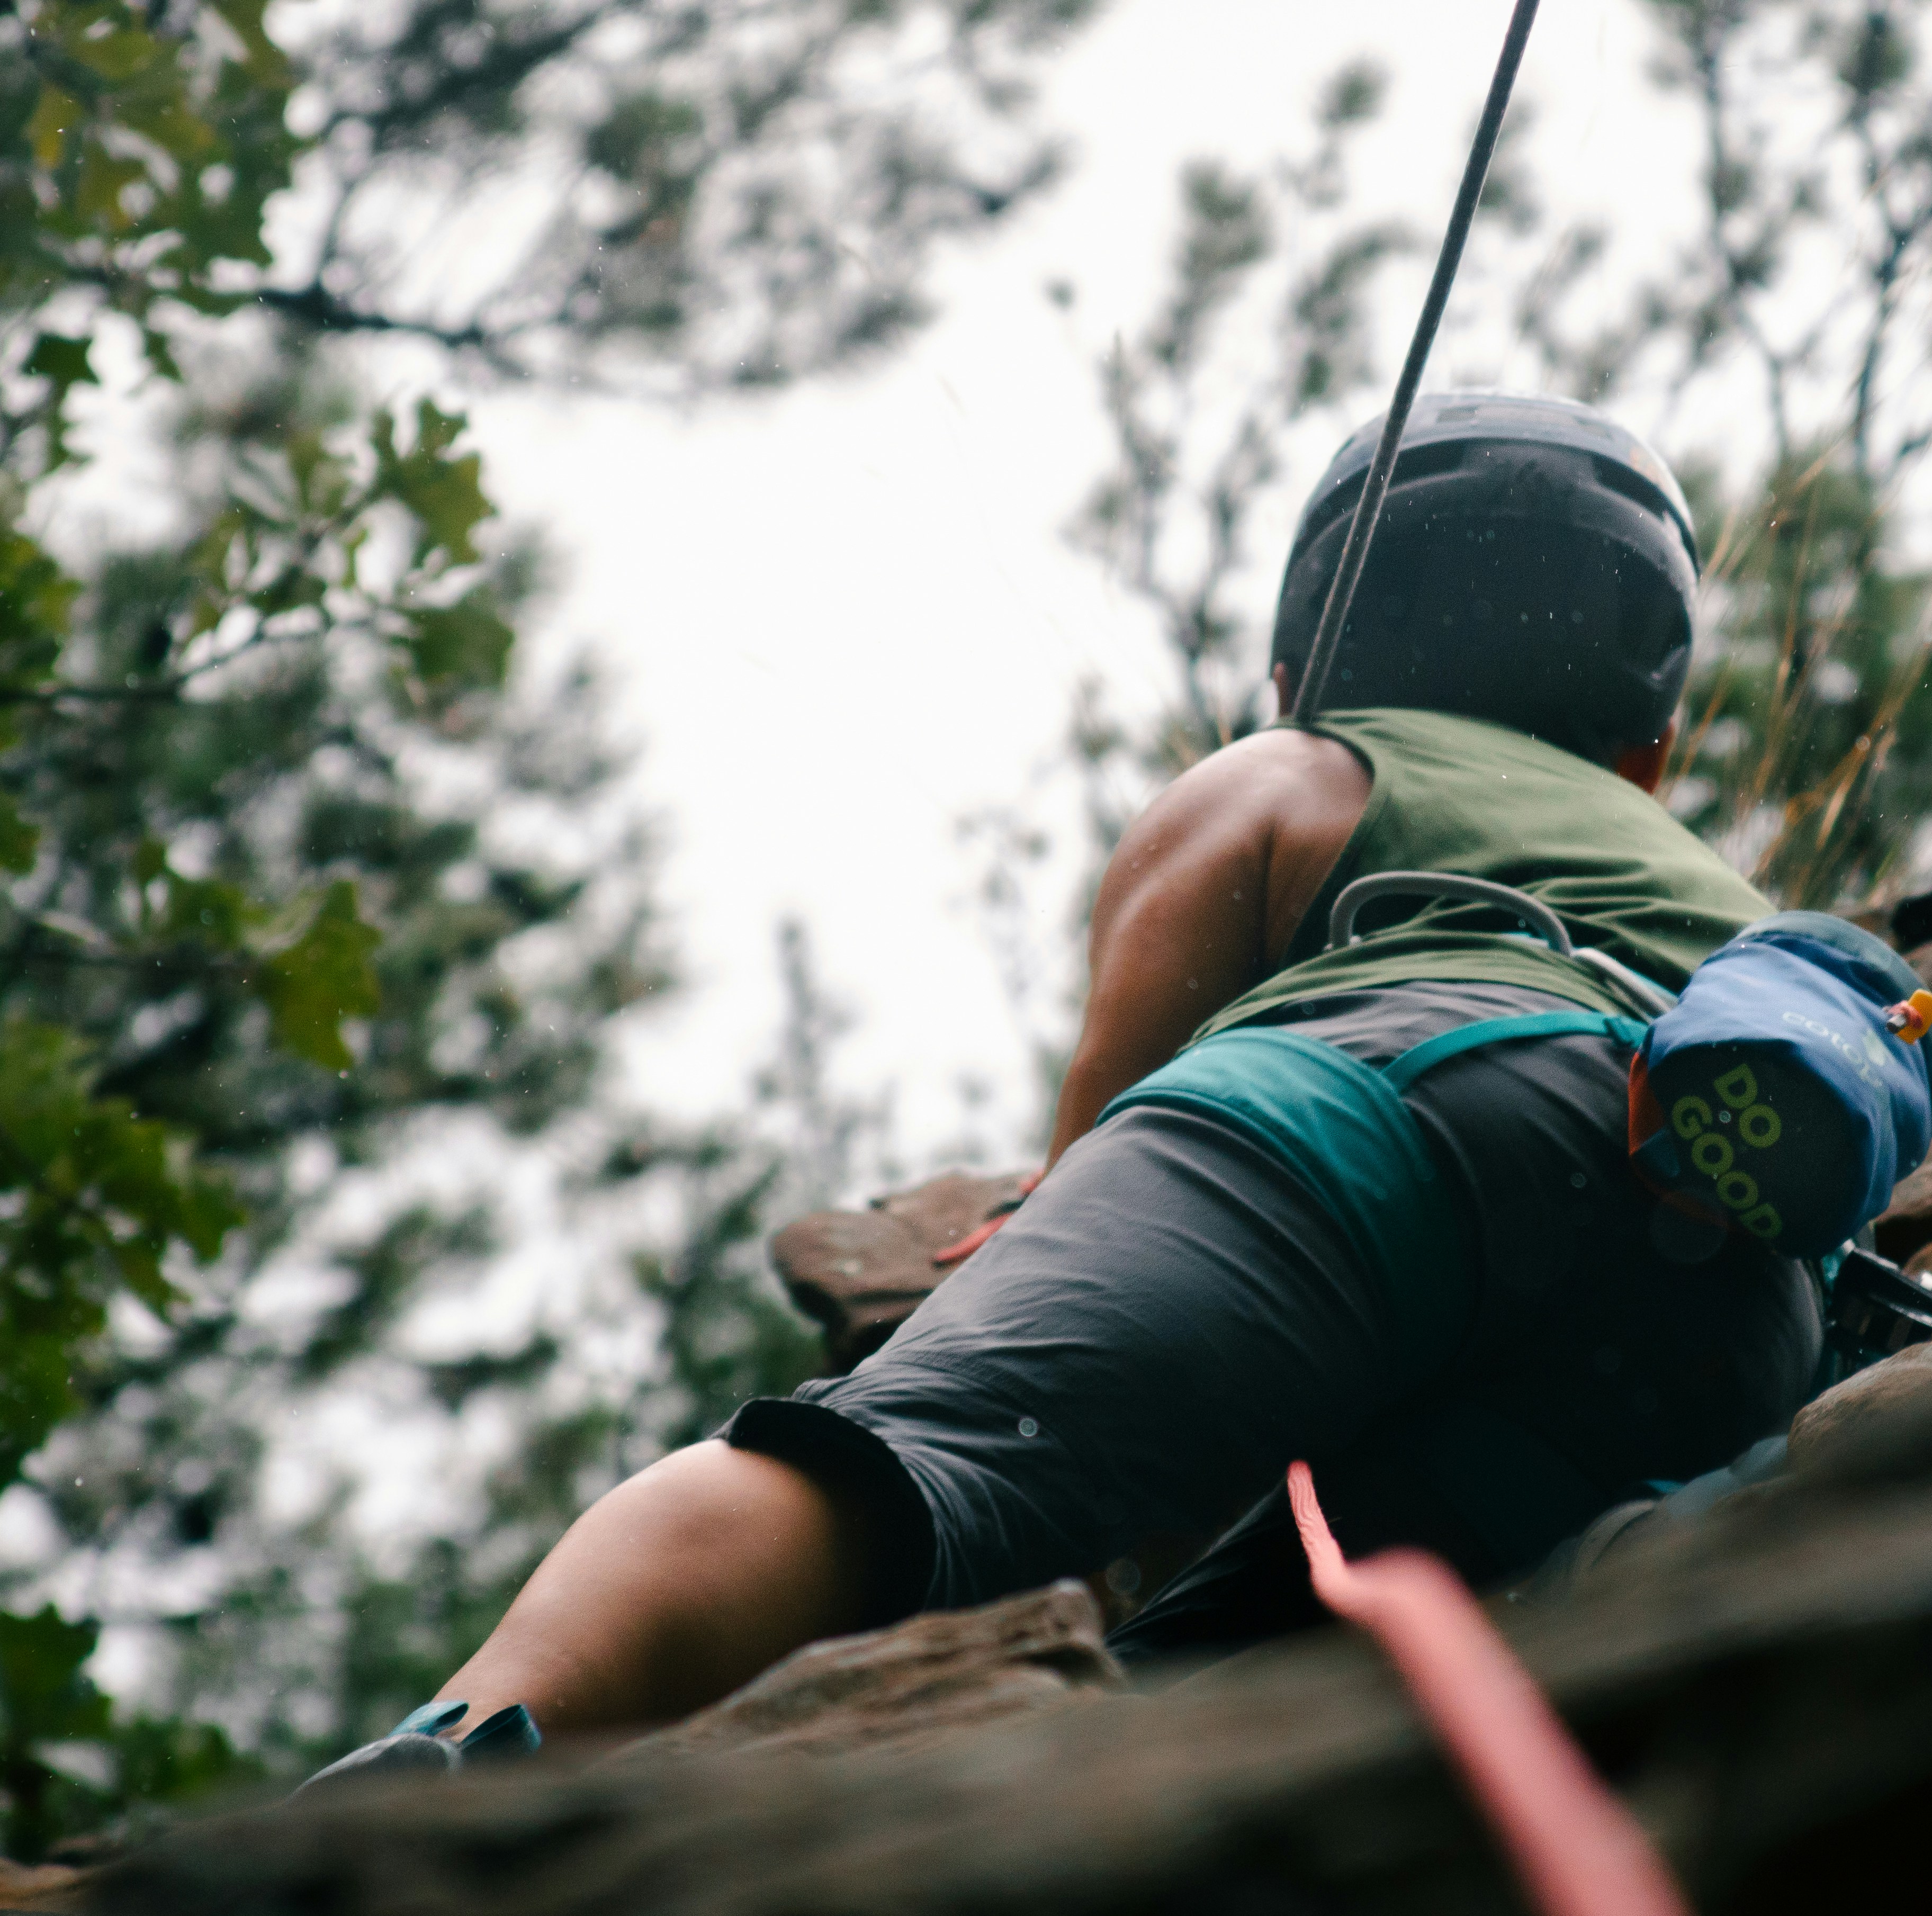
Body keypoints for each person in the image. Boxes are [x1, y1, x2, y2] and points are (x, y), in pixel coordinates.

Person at [304, 392, 1836, 1784]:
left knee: (908, 1464)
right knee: (1240, 1683)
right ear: (1652, 746)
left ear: (1311, 659)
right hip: (1729, 1267)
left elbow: (1128, 1090)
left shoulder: (1301, 763)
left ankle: (457, 1753)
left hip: (1385, 1107)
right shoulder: (1733, 900)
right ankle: (1632, 1572)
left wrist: (1057, 1205)